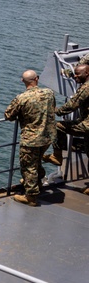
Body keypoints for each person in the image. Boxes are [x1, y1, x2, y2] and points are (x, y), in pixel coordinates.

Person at [4, 70, 57, 206]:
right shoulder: (49, 93)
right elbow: (53, 107)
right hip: (48, 137)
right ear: (37, 78)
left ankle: (31, 197)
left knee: (28, 166)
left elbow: (8, 115)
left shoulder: (21, 98)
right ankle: (36, 182)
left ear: (22, 81)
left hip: (31, 139)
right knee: (36, 161)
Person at [45, 64, 89, 192]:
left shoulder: (86, 87)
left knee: (57, 126)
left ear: (87, 73)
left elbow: (72, 105)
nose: (75, 76)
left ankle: (57, 155)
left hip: (87, 125)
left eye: (78, 74)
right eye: (74, 73)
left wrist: (56, 111)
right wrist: (66, 72)